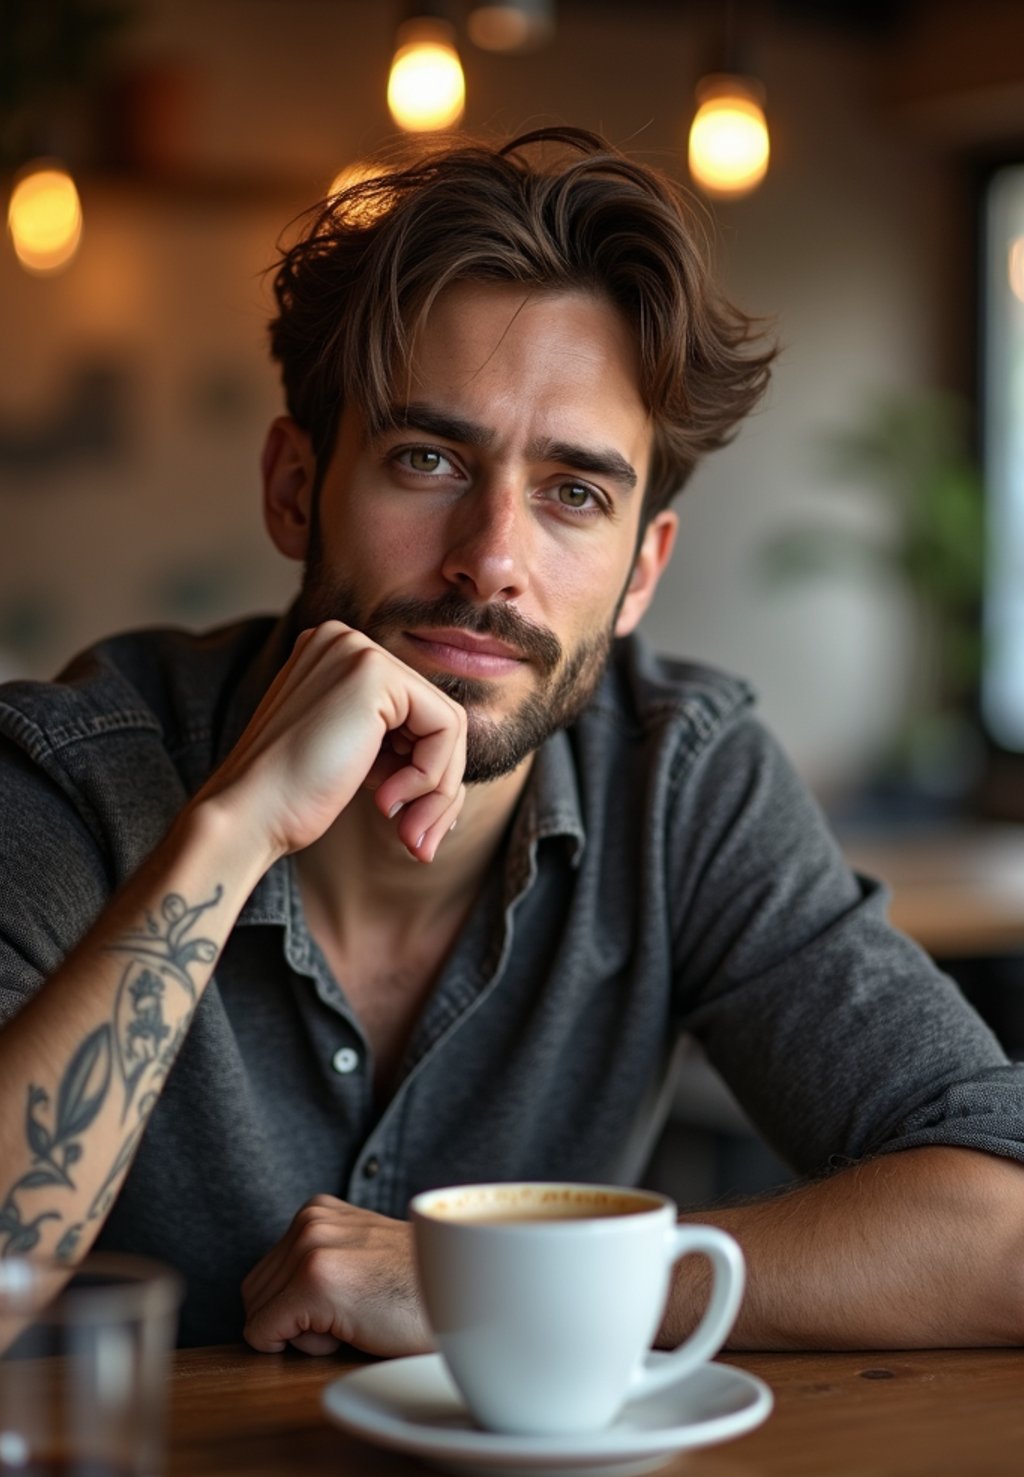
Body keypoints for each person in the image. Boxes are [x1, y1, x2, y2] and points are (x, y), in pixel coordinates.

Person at [2, 126, 1023, 1356]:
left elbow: (1002, 1234)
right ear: (293, 487)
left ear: (641, 572)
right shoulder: (66, 775)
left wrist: (501, 1283)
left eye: (574, 493)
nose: (491, 557)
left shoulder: (677, 780)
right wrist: (225, 838)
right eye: (427, 458)